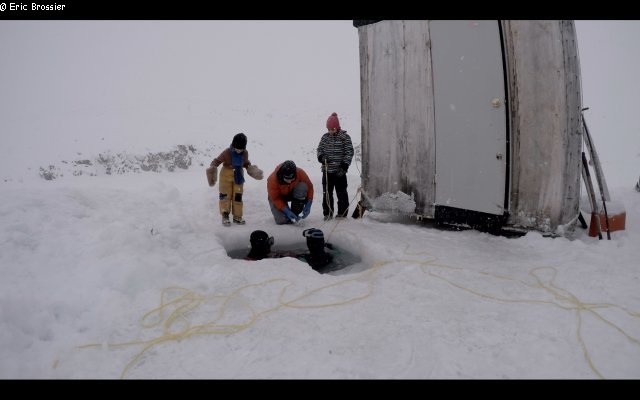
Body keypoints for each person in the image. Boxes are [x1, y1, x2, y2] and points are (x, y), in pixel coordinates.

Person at [207, 133, 263, 226]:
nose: (238, 150)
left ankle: (237, 216)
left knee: (238, 196)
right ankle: (225, 215)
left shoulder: (245, 153)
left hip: (238, 175)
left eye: (241, 149)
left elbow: (245, 163)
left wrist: (251, 168)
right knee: (225, 195)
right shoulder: (226, 152)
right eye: (237, 148)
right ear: (233, 145)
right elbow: (216, 161)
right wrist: (212, 169)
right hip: (226, 175)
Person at [316, 112, 354, 220]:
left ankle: (342, 213)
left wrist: (344, 166)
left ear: (337, 127)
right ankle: (328, 213)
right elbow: (319, 150)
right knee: (327, 193)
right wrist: (321, 158)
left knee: (341, 192)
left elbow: (349, 152)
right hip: (327, 171)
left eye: (332, 129)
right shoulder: (325, 137)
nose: (330, 131)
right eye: (328, 129)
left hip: (339, 171)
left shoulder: (345, 137)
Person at [245, 228, 334, 271]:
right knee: (323, 257)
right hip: (303, 264)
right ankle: (318, 246)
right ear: (261, 245)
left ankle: (318, 247)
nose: (271, 245)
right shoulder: (255, 264)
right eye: (269, 242)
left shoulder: (262, 254)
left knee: (322, 256)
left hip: (299, 259)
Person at [267, 160, 314, 224]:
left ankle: (295, 212)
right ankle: (287, 215)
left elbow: (310, 187)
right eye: (287, 179)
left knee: (302, 186)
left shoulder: (300, 172)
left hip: (292, 192)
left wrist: (309, 203)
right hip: (279, 197)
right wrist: (286, 211)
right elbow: (276, 199)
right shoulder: (272, 179)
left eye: (292, 179)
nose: (289, 182)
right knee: (281, 220)